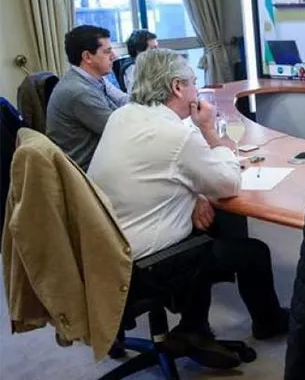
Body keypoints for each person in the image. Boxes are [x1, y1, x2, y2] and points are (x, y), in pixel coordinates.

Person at [88, 49, 288, 367]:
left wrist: (195, 195)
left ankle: (194, 327)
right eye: (194, 82)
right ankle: (268, 323)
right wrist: (209, 130)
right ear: (178, 87)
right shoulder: (175, 135)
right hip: (144, 263)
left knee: (211, 225)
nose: (197, 90)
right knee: (252, 251)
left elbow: (157, 173)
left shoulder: (122, 116)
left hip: (107, 249)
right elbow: (227, 184)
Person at [46, 25, 129, 171]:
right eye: (107, 51)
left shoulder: (93, 79)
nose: (113, 56)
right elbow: (120, 131)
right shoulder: (79, 92)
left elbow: (123, 101)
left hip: (100, 158)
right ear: (87, 57)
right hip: (87, 171)